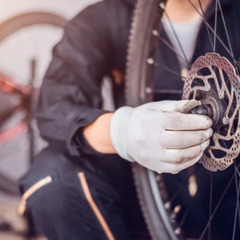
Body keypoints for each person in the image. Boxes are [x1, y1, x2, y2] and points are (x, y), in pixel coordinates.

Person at [18, 0, 239, 239]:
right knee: (53, 178)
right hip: (143, 190)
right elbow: (55, 105)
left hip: (229, 193)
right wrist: (124, 132)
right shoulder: (107, 16)